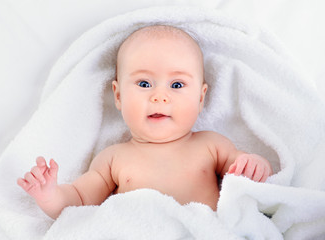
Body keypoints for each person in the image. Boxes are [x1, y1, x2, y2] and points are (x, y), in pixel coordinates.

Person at [17, 25, 273, 220]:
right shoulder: (113, 158)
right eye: (144, 83)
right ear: (118, 96)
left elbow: (245, 177)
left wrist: (255, 165)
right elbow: (79, 199)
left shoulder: (211, 145)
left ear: (200, 98)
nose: (159, 96)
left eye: (177, 85)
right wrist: (50, 195)